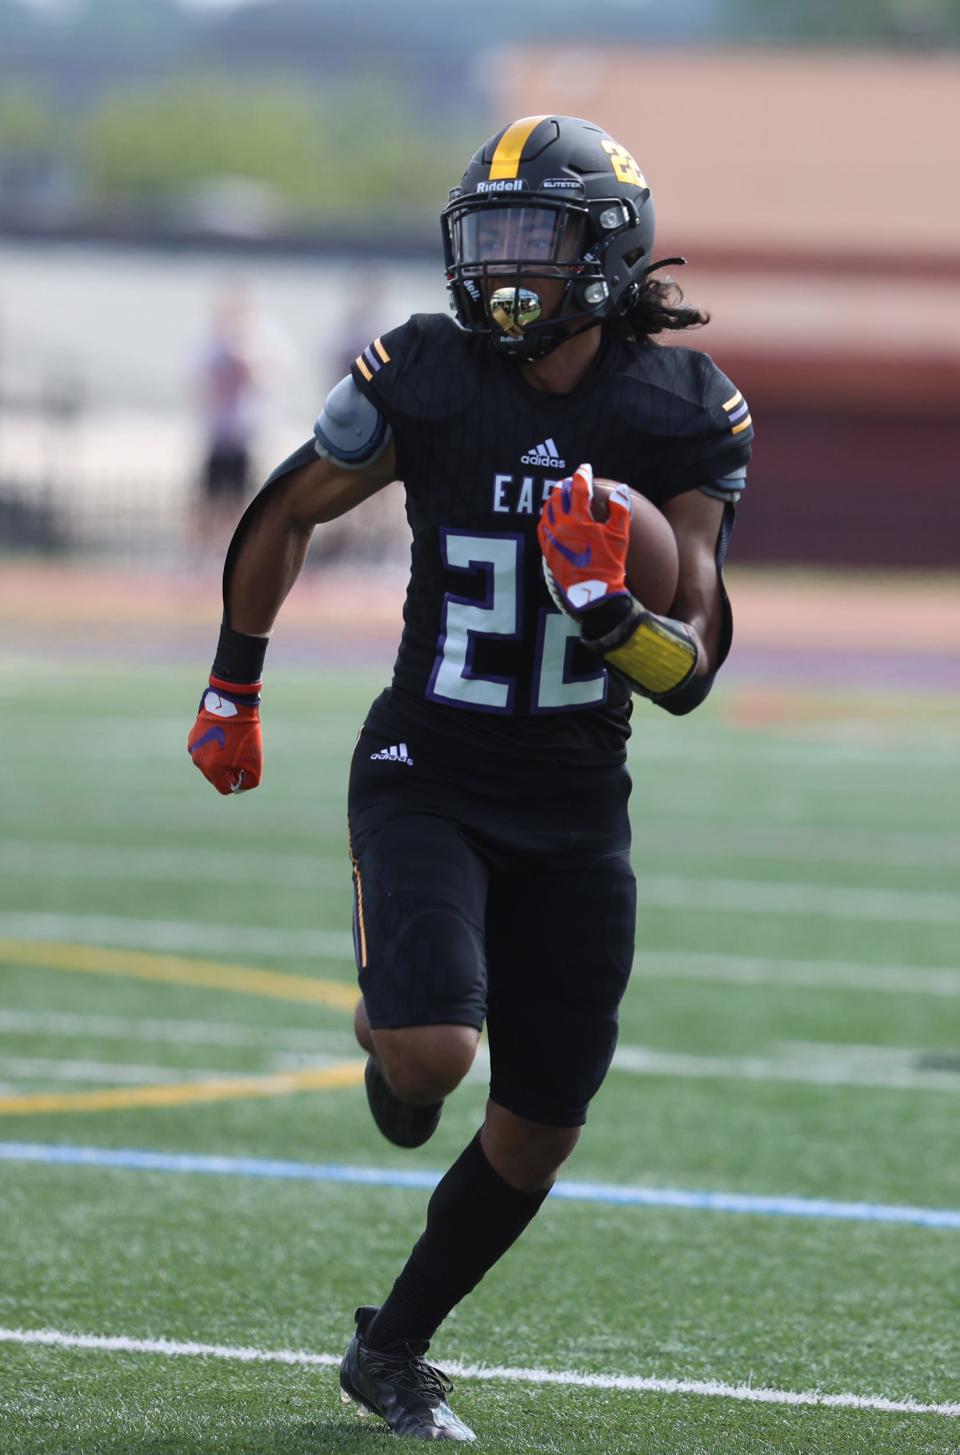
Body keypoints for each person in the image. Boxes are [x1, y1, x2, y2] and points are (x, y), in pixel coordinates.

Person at [187, 114, 754, 1443]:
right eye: (487, 238)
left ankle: (390, 1350)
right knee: (432, 1059)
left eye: (534, 243)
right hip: (425, 766)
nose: (503, 270)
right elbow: (285, 510)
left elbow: (697, 668)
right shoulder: (427, 374)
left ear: (606, 255)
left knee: (539, 1128)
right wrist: (233, 683)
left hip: (574, 803)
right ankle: (397, 1038)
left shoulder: (679, 410)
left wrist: (613, 616)